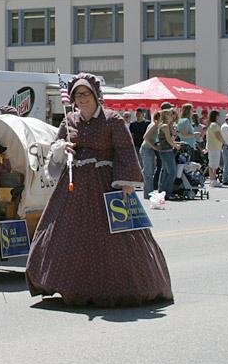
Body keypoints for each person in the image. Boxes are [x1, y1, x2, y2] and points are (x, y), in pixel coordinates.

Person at [26, 72, 173, 307]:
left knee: (113, 238)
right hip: (73, 185)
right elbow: (56, 147)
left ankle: (117, 287)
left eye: (85, 94)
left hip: (104, 184)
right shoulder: (69, 120)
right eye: (77, 95)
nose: (81, 99)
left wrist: (125, 183)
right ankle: (68, 285)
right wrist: (62, 148)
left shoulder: (112, 120)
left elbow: (125, 151)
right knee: (67, 235)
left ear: (95, 95)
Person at [156, 107, 182, 198]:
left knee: (167, 172)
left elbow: (170, 139)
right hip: (167, 151)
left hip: (165, 151)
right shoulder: (165, 126)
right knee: (172, 173)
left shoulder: (164, 125)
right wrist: (176, 145)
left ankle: (162, 192)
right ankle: (167, 193)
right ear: (166, 115)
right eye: (170, 114)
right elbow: (169, 141)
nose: (172, 116)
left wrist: (174, 135)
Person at [139, 110, 161, 196]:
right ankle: (148, 193)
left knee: (150, 171)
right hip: (146, 149)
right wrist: (154, 147)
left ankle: (149, 191)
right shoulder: (154, 125)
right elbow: (145, 137)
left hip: (149, 149)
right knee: (148, 172)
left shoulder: (156, 125)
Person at [205, 111, 224, 187]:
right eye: (218, 116)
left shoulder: (212, 125)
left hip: (214, 147)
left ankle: (213, 180)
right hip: (214, 147)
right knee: (213, 164)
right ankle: (213, 180)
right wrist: (224, 142)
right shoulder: (214, 125)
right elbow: (218, 135)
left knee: (214, 164)